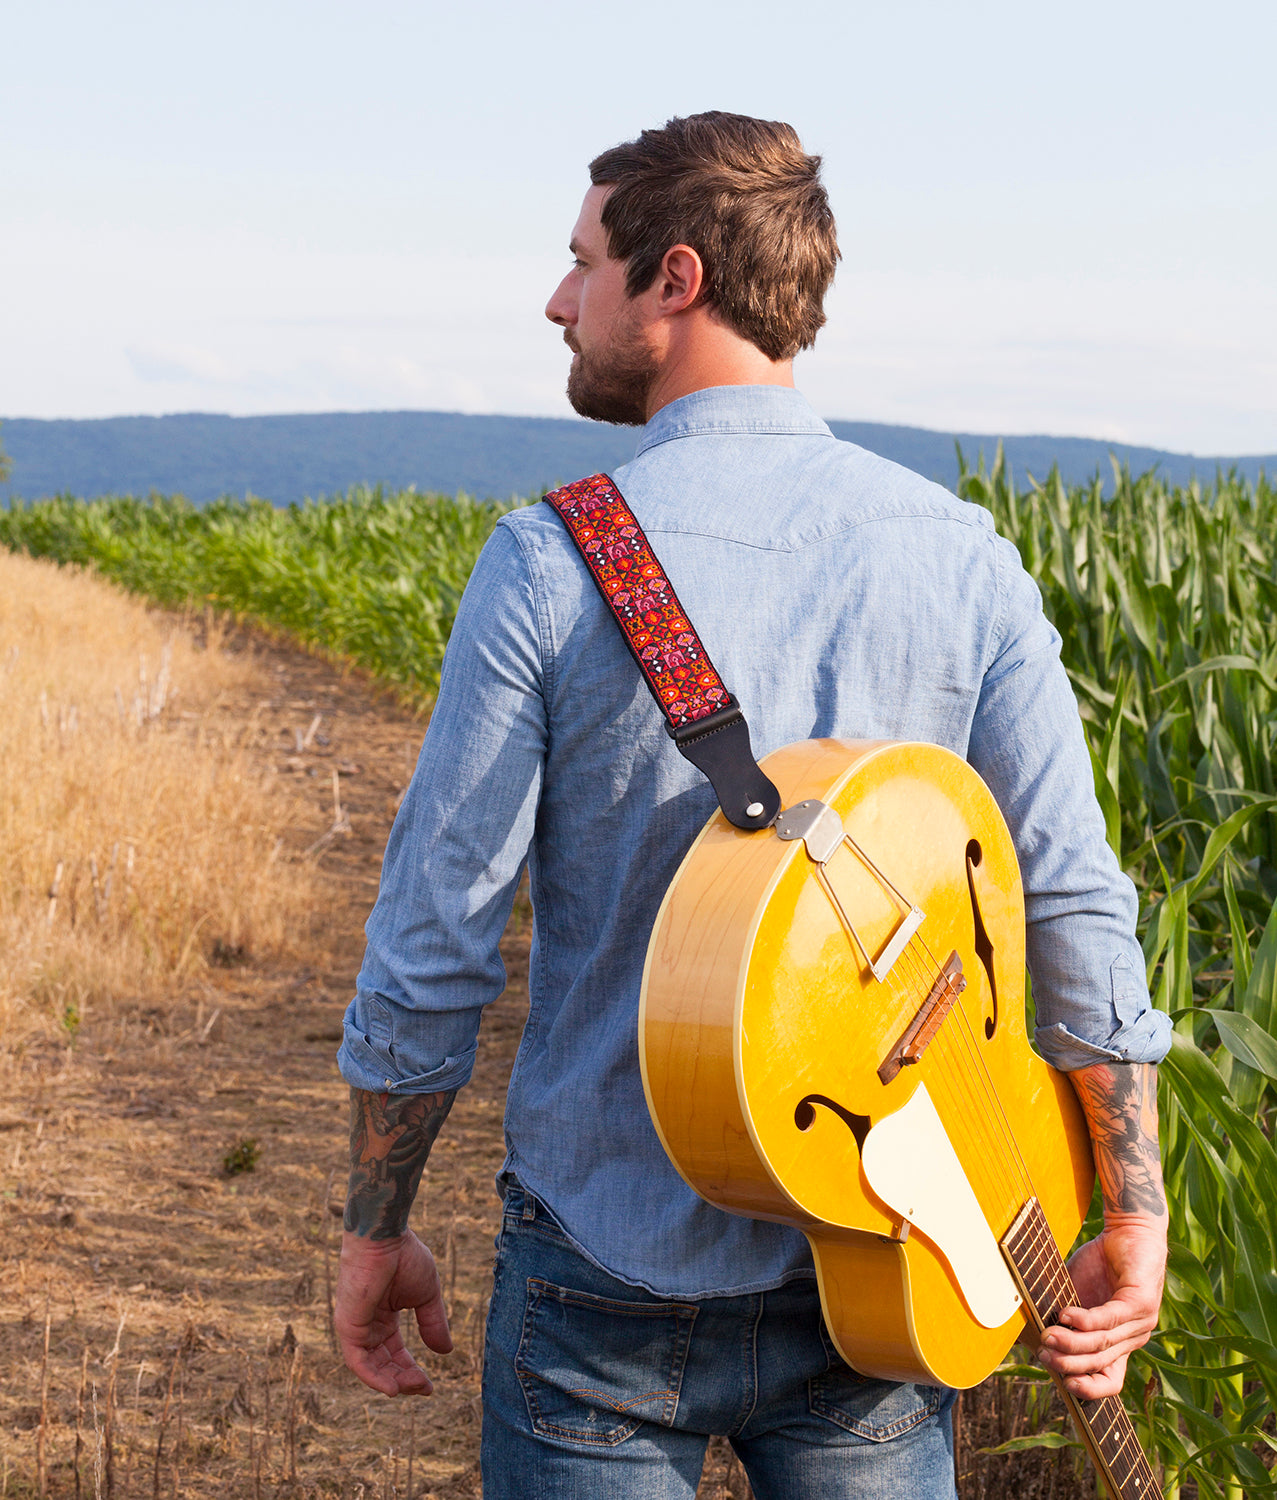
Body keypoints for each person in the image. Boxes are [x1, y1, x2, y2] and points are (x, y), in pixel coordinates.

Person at [334, 112, 1171, 1498]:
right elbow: (1069, 896)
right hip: (885, 1253)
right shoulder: (958, 558)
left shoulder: (552, 561)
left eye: (579, 264)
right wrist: (1130, 1202)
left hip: (605, 1259)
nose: (556, 300)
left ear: (673, 278)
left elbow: (435, 941)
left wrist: (376, 1228)